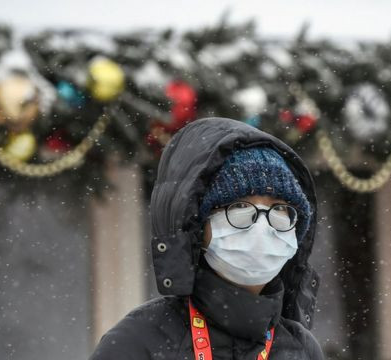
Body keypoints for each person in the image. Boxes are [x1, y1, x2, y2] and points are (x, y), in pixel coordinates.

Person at [89, 117, 324, 359]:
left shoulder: (302, 349)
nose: (262, 227)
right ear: (198, 228)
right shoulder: (138, 342)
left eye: (279, 209)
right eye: (240, 207)